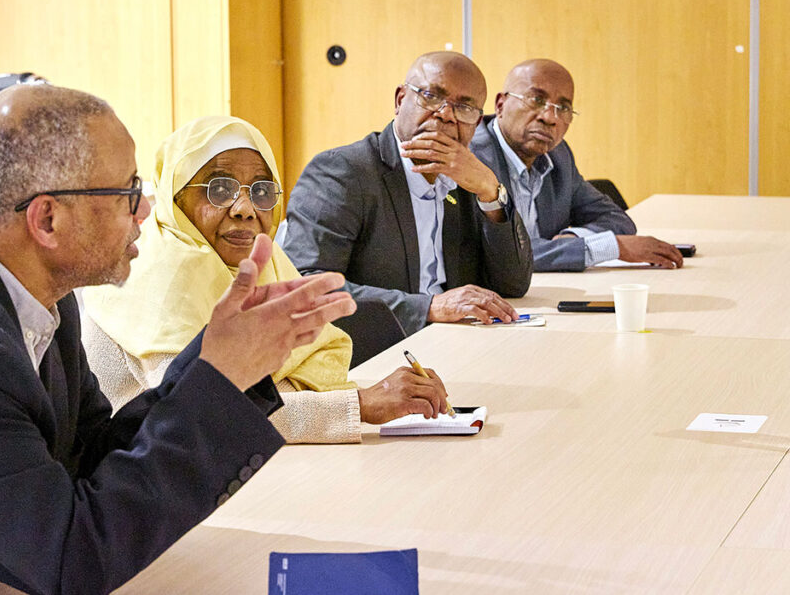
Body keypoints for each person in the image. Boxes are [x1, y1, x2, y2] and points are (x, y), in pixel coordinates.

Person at [0, 85, 356, 594]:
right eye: (127, 193)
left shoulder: (36, 296)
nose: (146, 210)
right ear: (47, 220)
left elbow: (89, 457)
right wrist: (219, 381)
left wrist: (216, 365)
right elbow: (72, 560)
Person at [83, 116, 449, 445]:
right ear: (174, 199)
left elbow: (286, 379)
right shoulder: (161, 275)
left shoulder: (262, 259)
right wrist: (361, 403)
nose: (245, 209)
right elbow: (204, 415)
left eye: (261, 191)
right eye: (219, 189)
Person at [282, 51, 533, 336]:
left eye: (464, 107)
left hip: (457, 340)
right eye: (431, 96)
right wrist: (429, 307)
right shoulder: (343, 172)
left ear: (476, 124)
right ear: (400, 100)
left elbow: (512, 285)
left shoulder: (471, 178)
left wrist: (491, 192)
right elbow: (305, 287)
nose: (446, 115)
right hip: (377, 351)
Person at [469, 58, 684, 271]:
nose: (550, 118)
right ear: (500, 105)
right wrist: (606, 247)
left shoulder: (558, 156)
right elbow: (498, 254)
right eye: (536, 99)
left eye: (563, 108)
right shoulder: (472, 159)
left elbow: (616, 219)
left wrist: (571, 239)